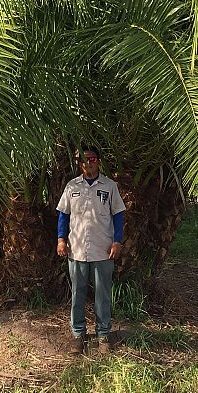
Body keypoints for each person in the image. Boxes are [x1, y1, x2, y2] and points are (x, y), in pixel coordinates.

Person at [56, 145, 126, 355]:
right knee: (77, 293)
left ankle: (103, 335)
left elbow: (118, 215)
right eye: (83, 160)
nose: (88, 164)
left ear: (99, 161)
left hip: (103, 249)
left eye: (92, 159)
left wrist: (117, 242)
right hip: (76, 250)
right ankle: (78, 334)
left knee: (102, 294)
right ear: (79, 164)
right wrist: (61, 240)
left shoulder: (109, 186)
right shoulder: (71, 186)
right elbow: (63, 215)